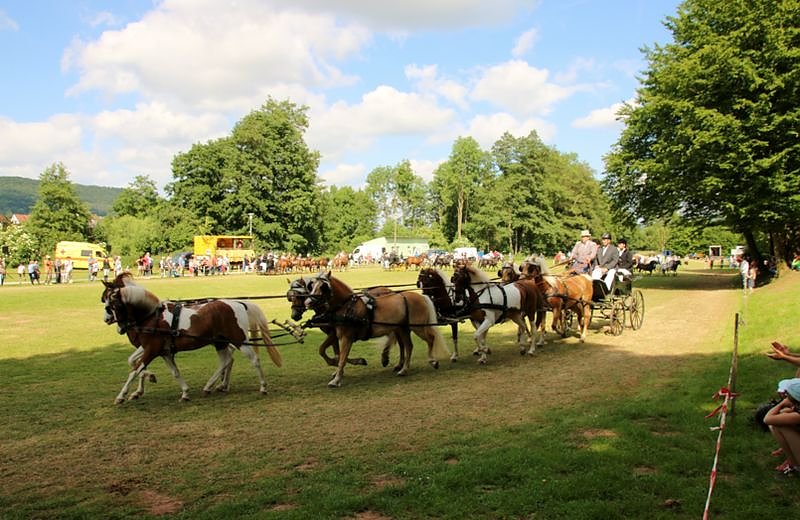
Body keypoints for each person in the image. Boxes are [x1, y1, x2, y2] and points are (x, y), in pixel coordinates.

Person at [764, 379, 800, 475]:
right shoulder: (796, 411)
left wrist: (782, 403)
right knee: (782, 417)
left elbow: (767, 419)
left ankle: (795, 464)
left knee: (777, 425)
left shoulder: (797, 416)